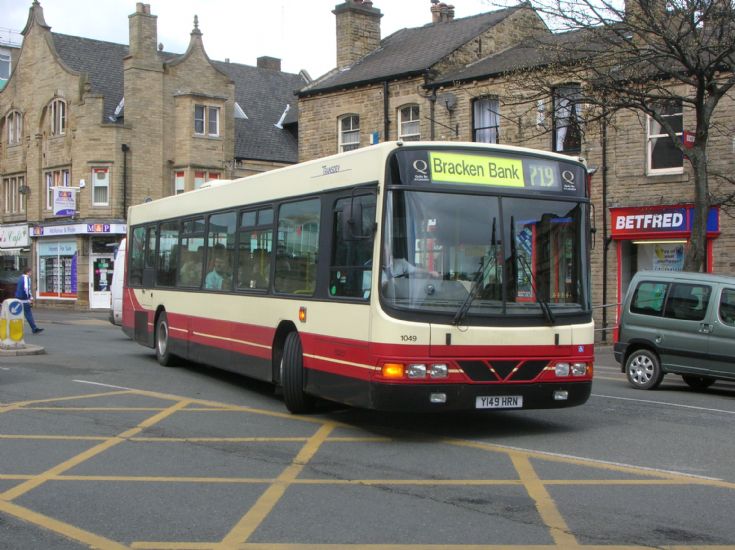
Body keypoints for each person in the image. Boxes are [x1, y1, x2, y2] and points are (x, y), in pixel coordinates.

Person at [15, 267, 43, 334]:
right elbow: (27, 289)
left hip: (18, 298)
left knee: (18, 314)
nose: (31, 274)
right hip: (24, 299)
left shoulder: (20, 278)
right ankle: (34, 328)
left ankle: (16, 329)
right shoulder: (26, 278)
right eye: (30, 272)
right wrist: (30, 298)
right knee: (28, 314)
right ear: (28, 272)